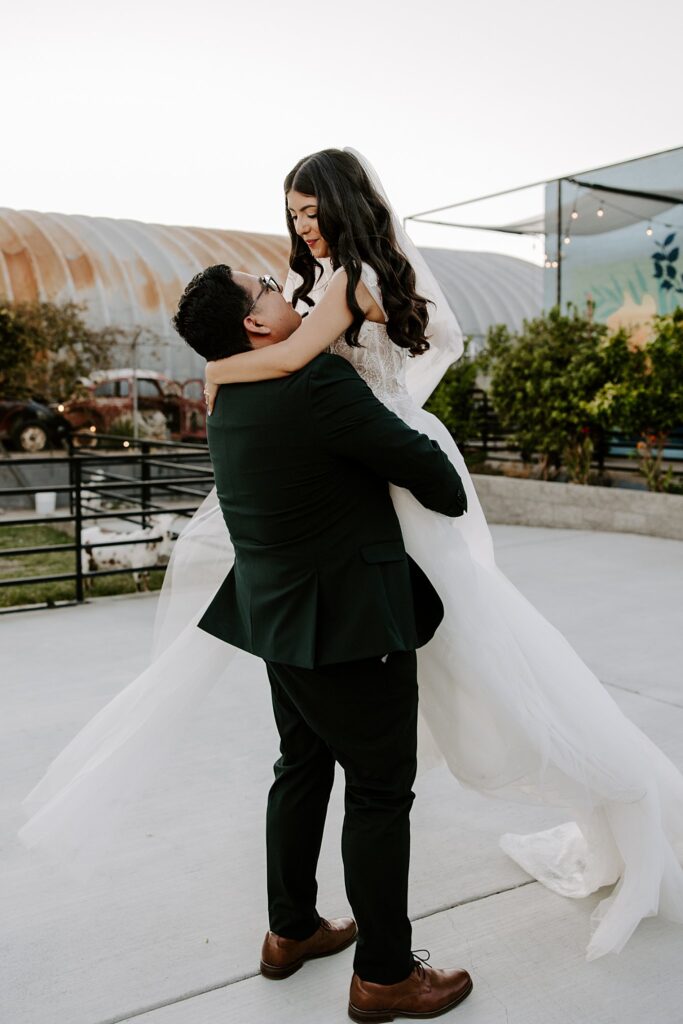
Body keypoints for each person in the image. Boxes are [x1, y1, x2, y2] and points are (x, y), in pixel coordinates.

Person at [199, 148, 683, 961]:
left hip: (386, 460)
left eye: (313, 211)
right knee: (372, 745)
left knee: (473, 660)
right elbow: (294, 362)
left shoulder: (352, 278)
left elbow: (288, 359)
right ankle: (360, 957)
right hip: (357, 478)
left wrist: (219, 365)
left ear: (347, 207)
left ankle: (301, 931)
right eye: (292, 214)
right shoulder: (318, 287)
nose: (302, 228)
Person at [173, 263, 473, 1021]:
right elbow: (438, 481)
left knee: (301, 766)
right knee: (377, 791)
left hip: (275, 619)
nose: (285, 291)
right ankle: (383, 974)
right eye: (268, 286)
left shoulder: (227, 392)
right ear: (255, 324)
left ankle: (291, 930)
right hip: (349, 624)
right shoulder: (316, 386)